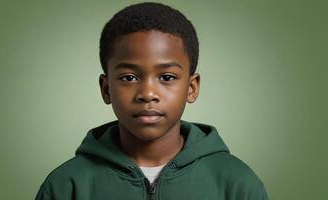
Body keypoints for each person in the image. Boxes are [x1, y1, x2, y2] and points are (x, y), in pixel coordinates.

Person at [35, 2, 268, 200]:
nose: (147, 93)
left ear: (191, 87)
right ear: (106, 89)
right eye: (129, 77)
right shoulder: (68, 185)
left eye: (166, 77)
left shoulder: (236, 183)